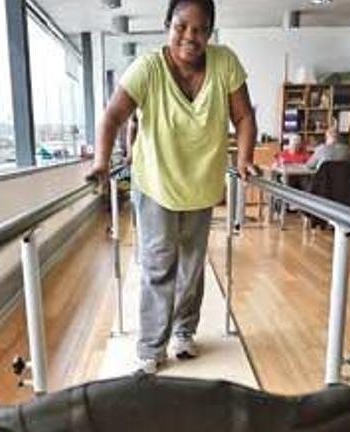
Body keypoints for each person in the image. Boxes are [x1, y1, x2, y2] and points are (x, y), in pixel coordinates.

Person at [88, 0, 256, 374]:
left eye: (199, 29)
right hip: (156, 184)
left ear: (209, 33)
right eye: (181, 26)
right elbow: (113, 115)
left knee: (192, 266)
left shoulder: (225, 62)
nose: (189, 36)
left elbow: (243, 116)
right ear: (167, 25)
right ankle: (151, 349)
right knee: (159, 265)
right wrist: (101, 162)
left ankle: (184, 332)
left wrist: (243, 159)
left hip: (201, 185)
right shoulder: (148, 67)